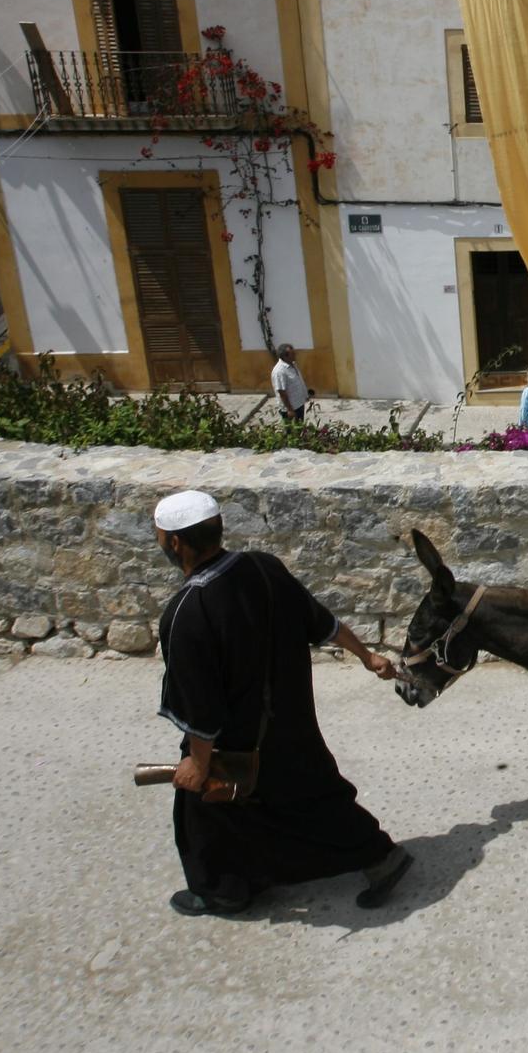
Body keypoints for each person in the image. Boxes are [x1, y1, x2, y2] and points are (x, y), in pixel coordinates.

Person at [151, 490, 411, 916]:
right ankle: (381, 857)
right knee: (312, 795)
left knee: (202, 808)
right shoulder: (262, 567)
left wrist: (198, 764)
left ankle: (222, 891)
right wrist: (367, 656)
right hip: (290, 720)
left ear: (175, 543)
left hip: (237, 741)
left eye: (160, 536)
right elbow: (321, 620)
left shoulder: (188, 611)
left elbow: (200, 707)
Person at [270, 343, 310, 423]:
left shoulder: (293, 364)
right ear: (285, 356)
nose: (295, 355)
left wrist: (305, 395)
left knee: (300, 428)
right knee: (292, 431)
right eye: (293, 354)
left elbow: (298, 381)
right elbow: (282, 392)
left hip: (299, 404)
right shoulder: (279, 371)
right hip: (291, 408)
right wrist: (290, 410)